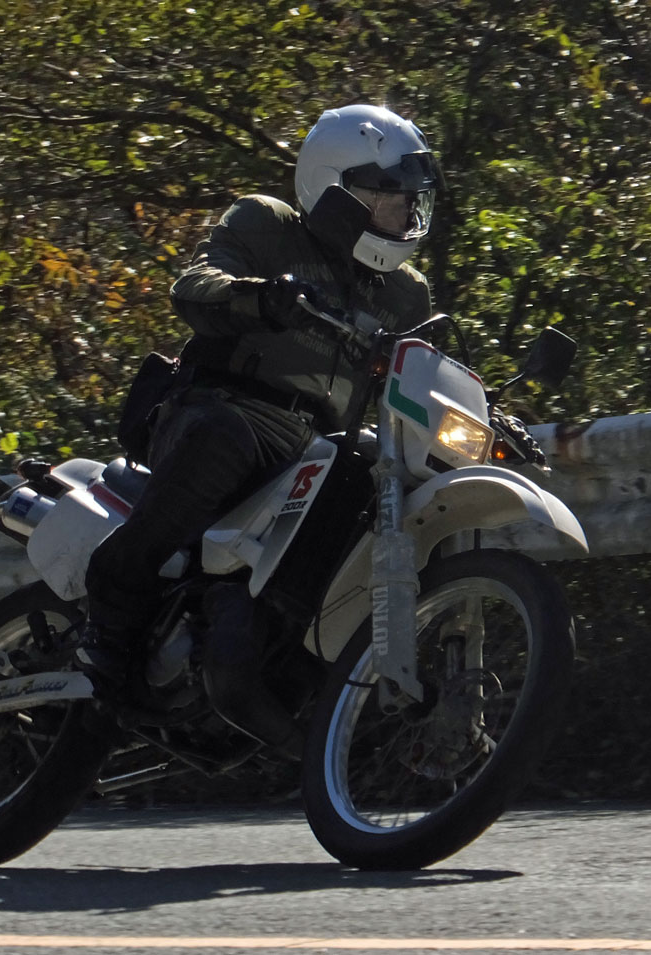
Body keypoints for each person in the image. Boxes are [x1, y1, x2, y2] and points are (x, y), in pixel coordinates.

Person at [78, 104, 444, 708]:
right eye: (390, 194)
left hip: (311, 452)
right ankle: (112, 603)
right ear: (336, 188)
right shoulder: (266, 224)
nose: (408, 210)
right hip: (216, 405)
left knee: (383, 485)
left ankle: (291, 664)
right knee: (224, 435)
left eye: (413, 197)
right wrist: (260, 299)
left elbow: (421, 382)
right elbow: (195, 284)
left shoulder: (407, 295)